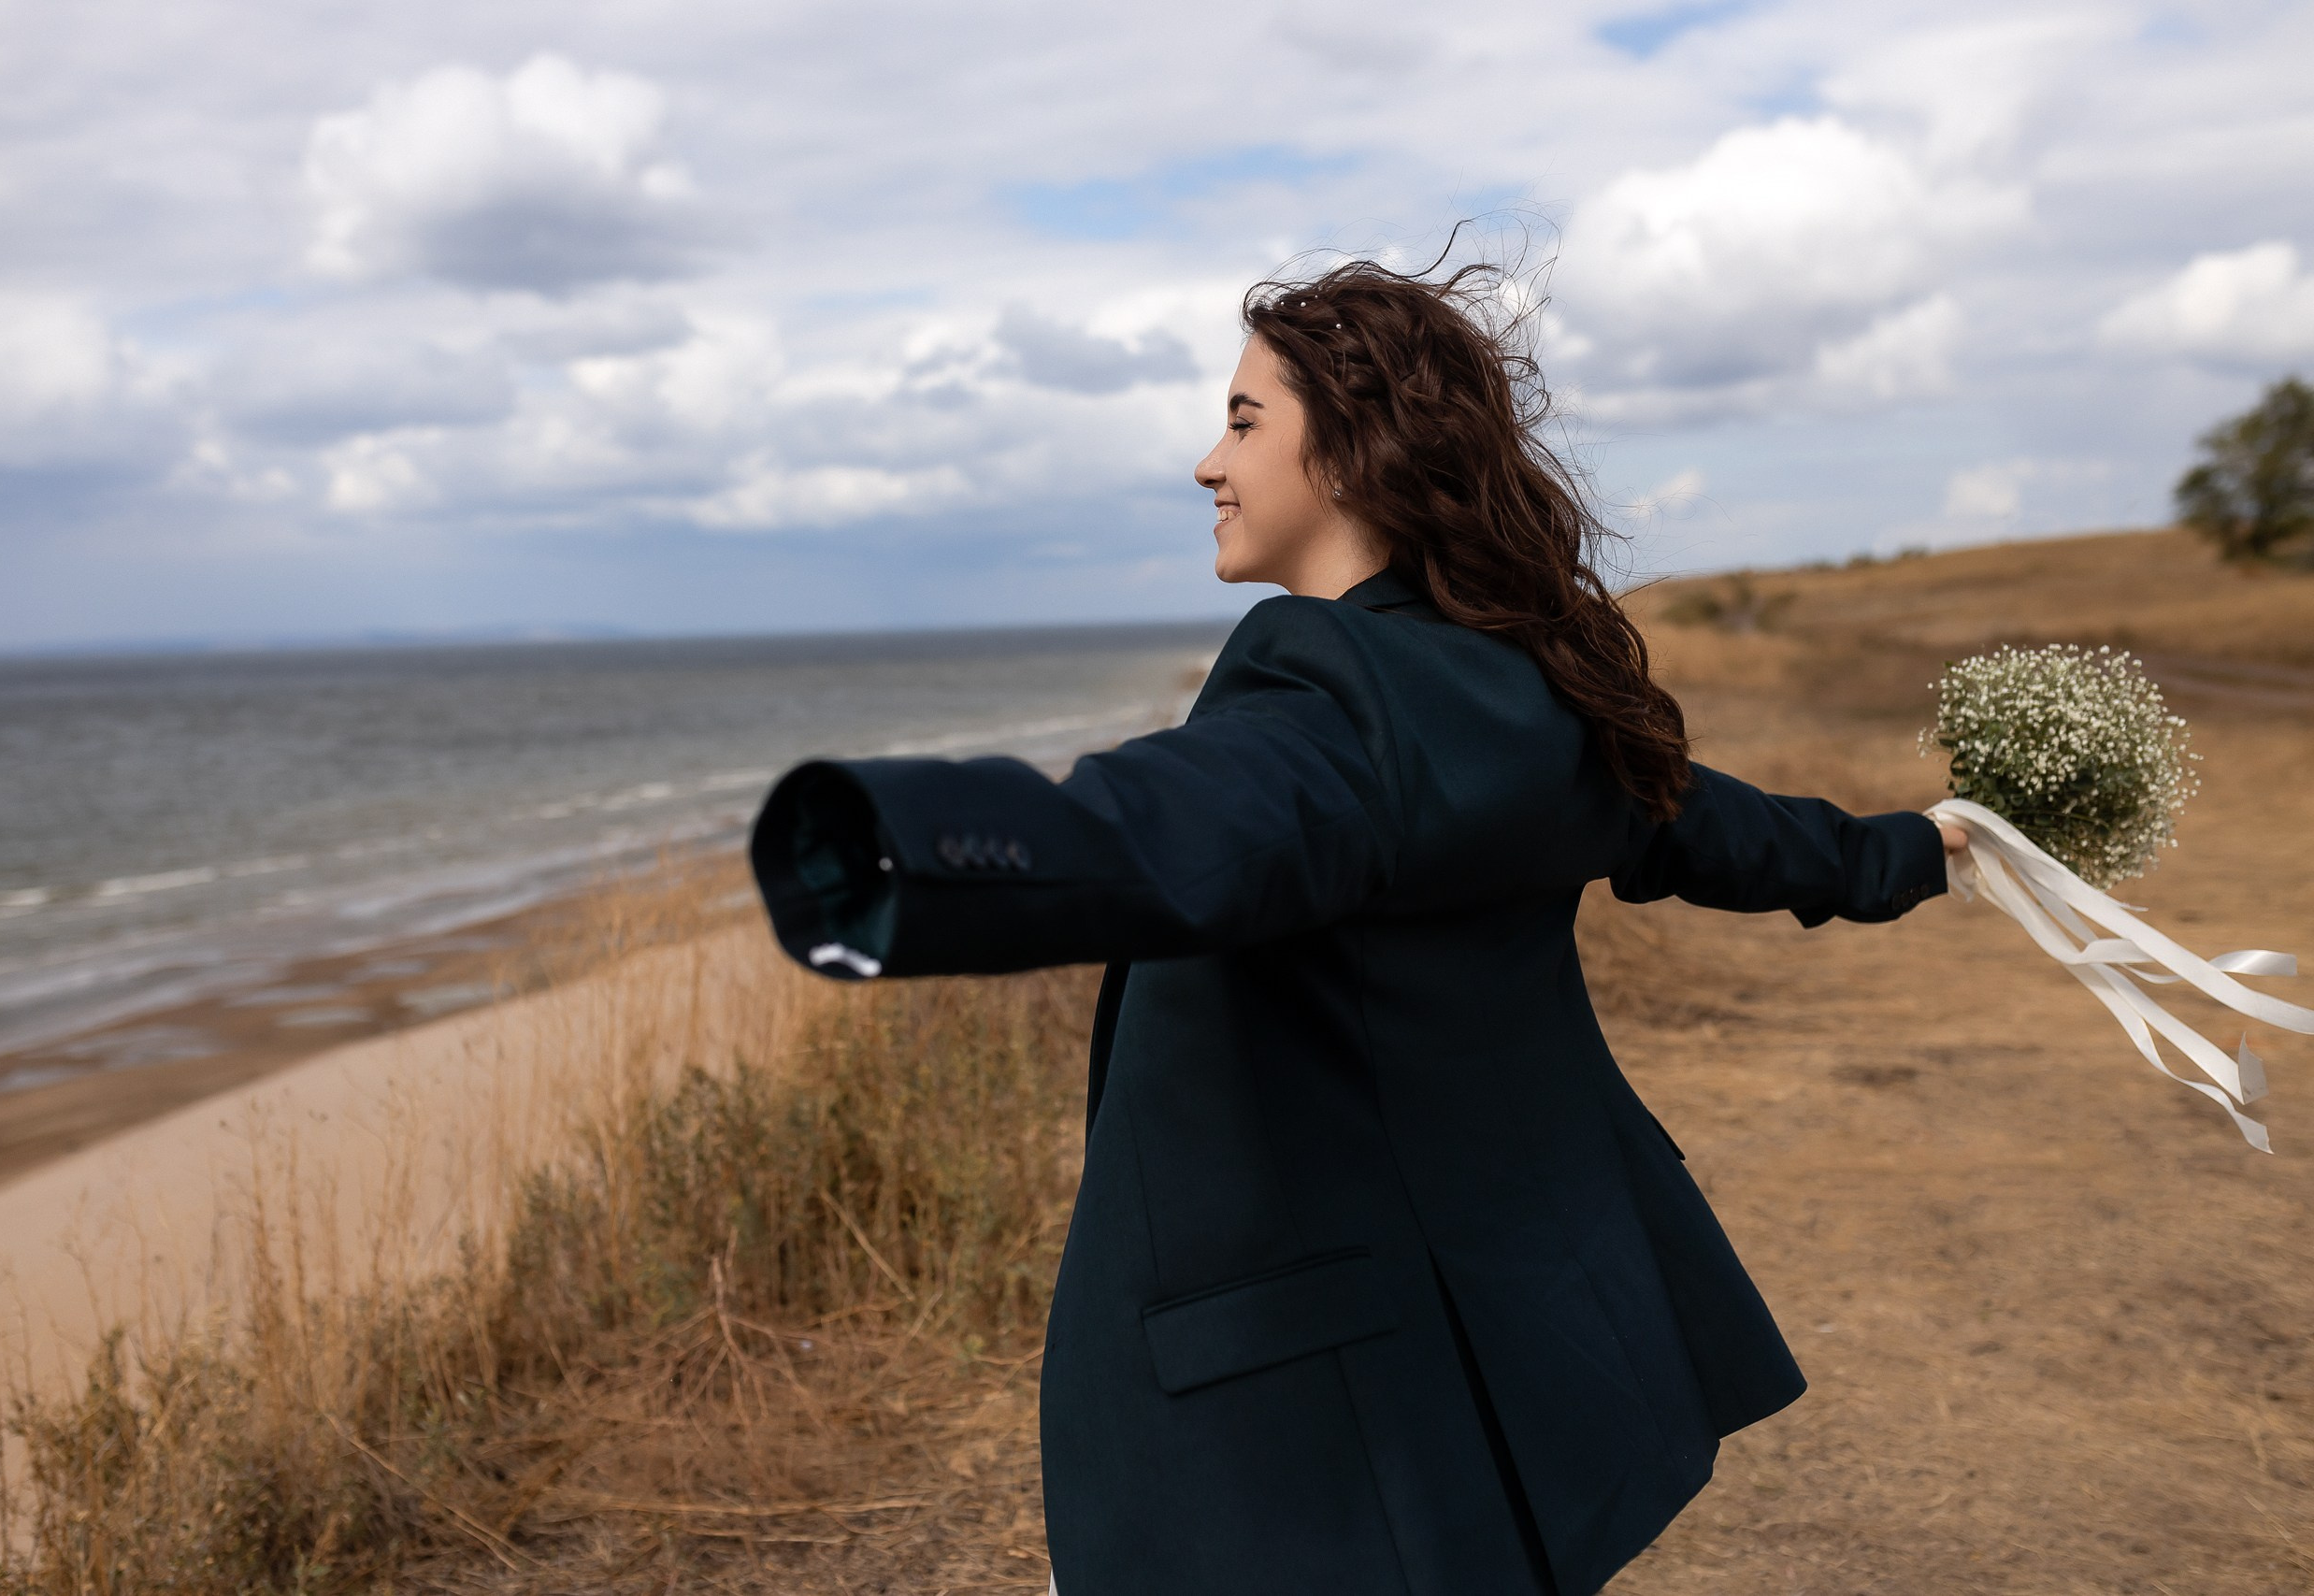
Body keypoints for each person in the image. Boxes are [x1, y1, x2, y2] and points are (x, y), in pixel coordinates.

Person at [750, 258, 1970, 1596]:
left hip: (1303, 1428)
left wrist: (900, 852)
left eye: (1244, 420)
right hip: (1483, 1362)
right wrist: (1922, 847)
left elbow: (1177, 817)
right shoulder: (1531, 694)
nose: (1206, 460)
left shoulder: (1326, 696)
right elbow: (1730, 834)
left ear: (1352, 448)